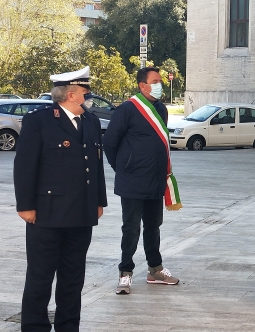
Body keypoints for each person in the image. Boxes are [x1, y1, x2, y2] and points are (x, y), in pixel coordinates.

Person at [14, 66, 107, 332]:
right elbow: (24, 166)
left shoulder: (90, 121)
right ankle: (34, 326)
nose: (90, 96)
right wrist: (25, 206)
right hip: (47, 212)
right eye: (86, 92)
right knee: (40, 277)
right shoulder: (40, 120)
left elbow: (96, 165)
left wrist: (98, 201)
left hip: (81, 213)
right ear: (71, 94)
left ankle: (68, 326)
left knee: (73, 278)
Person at [103, 66, 179, 295]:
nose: (160, 85)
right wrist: (124, 168)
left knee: (154, 227)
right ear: (142, 85)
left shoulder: (161, 109)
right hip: (132, 181)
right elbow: (110, 143)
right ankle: (125, 273)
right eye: (155, 81)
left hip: (155, 180)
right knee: (131, 229)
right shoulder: (127, 109)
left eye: (161, 81)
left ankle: (155, 269)